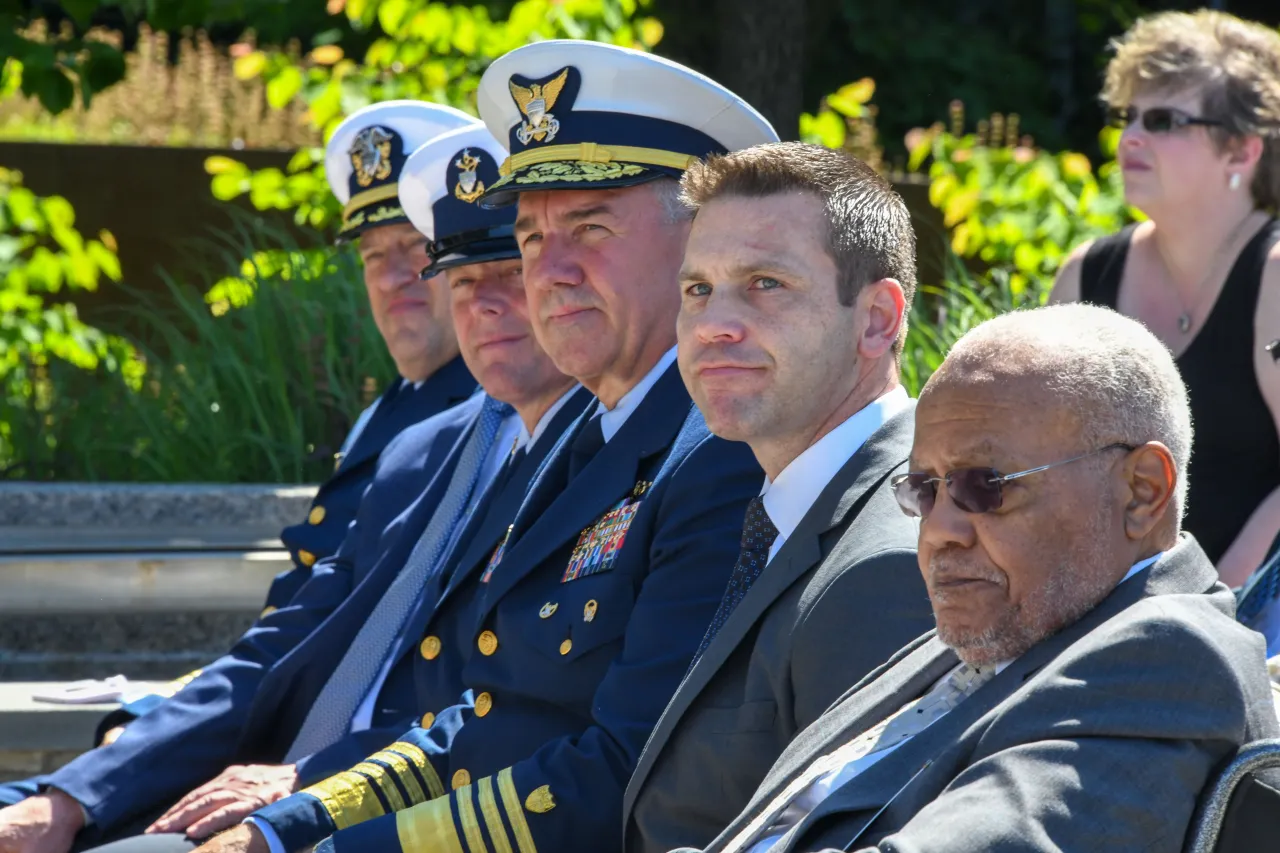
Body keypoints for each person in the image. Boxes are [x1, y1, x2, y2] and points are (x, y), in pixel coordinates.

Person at [192, 38, 779, 853]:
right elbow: (485, 716)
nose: (551, 270)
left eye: (590, 225)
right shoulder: (582, 435)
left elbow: (619, 771)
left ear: (697, 245)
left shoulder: (719, 451)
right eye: (532, 238)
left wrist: (327, 845)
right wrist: (285, 824)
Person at [0, 111, 582, 853]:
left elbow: (510, 715)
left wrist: (295, 798)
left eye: (509, 271)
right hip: (270, 782)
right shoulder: (424, 447)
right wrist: (75, 795)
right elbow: (283, 648)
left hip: (384, 810)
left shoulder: (595, 452)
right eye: (461, 277)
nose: (483, 302)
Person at [678, 304, 1278, 853]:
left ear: (1142, 490)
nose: (941, 529)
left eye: (984, 486)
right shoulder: (1009, 621)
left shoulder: (1169, 656)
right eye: (924, 489)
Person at [622, 142, 935, 853]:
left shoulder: (893, 560)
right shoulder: (786, 507)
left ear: (879, 319)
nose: (711, 324)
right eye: (697, 289)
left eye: (765, 284)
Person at [1050, 9, 1280, 588]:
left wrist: (1217, 603)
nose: (1131, 136)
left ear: (1241, 152)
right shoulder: (1087, 275)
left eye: (1163, 120)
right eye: (1128, 116)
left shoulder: (1274, 275)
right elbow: (1038, 451)